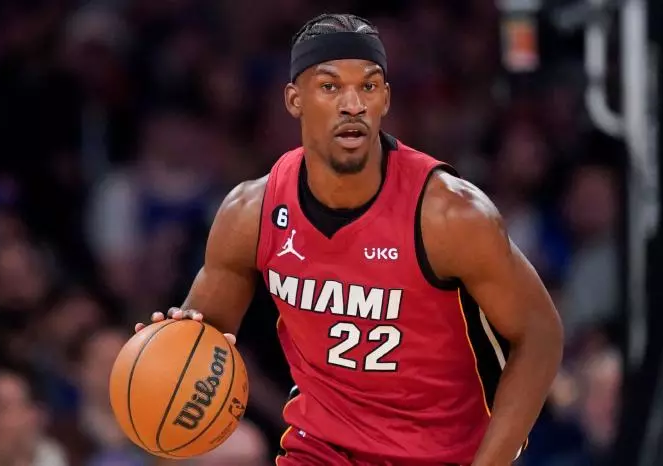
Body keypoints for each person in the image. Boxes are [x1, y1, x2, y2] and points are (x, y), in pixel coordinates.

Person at [135, 13, 564, 466]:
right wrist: (164, 354)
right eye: (330, 87)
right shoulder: (251, 213)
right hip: (318, 452)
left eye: (369, 86)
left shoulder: (450, 215)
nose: (353, 104)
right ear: (294, 100)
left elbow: (539, 334)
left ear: (385, 99)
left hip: (441, 455)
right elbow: (201, 346)